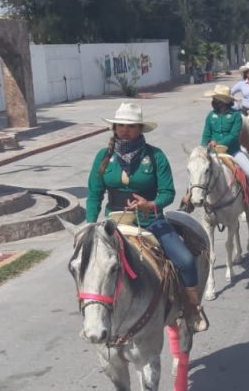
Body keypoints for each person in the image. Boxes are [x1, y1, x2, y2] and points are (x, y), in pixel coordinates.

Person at [86, 101, 208, 332]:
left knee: (185, 260)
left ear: (141, 129)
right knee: (89, 265)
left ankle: (192, 308)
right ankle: (93, 312)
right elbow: (94, 193)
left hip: (151, 221)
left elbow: (168, 192)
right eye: (121, 125)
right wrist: (91, 224)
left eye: (131, 126)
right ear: (114, 128)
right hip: (113, 224)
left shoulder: (155, 156)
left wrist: (150, 204)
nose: (125, 130)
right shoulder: (103, 157)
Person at [201, 84, 249, 217]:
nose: (214, 101)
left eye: (217, 99)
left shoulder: (235, 116)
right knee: (198, 172)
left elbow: (234, 136)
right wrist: (203, 148)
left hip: (233, 152)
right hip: (212, 153)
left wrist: (219, 143)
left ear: (225, 101)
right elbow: (206, 135)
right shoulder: (210, 116)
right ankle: (190, 201)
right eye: (214, 99)